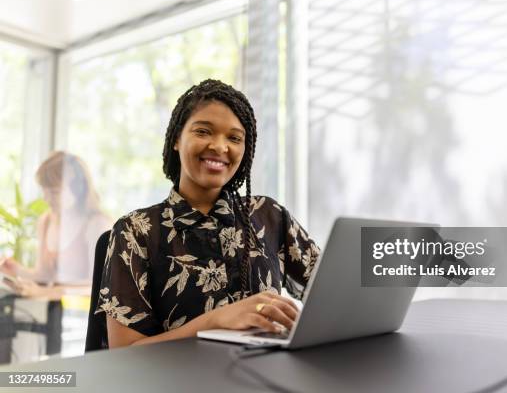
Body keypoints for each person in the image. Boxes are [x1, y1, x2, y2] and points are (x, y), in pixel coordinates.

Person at [96, 79, 320, 348]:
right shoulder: (136, 230)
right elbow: (123, 351)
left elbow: (334, 291)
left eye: (234, 138)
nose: (220, 146)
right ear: (177, 139)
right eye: (203, 132)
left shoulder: (268, 216)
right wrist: (215, 320)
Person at [0, 151, 111, 298]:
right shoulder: (45, 221)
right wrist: (17, 270)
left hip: (82, 315)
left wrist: (47, 292)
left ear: (78, 190)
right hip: (52, 312)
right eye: (44, 191)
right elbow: (45, 275)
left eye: (54, 192)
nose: (46, 199)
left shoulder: (97, 224)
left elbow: (100, 286)